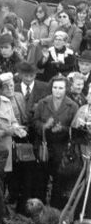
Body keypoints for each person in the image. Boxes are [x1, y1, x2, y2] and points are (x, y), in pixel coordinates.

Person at [33, 75, 79, 208]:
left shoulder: (72, 105)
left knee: (59, 180)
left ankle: (55, 210)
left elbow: (75, 128)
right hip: (44, 146)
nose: (57, 91)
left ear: (66, 89)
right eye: (55, 87)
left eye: (61, 88)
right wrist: (44, 126)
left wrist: (63, 129)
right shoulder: (43, 103)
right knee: (41, 177)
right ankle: (38, 209)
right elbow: (34, 122)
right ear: (51, 88)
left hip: (62, 148)